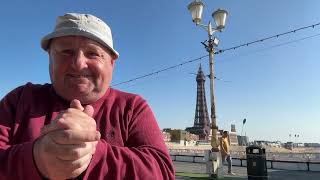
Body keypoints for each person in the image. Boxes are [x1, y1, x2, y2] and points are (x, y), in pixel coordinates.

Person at [0, 13, 174, 180]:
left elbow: (162, 172)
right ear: (50, 57)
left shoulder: (132, 107)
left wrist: (90, 152)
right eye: (66, 52)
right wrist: (36, 158)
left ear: (111, 63)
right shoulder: (19, 99)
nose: (78, 64)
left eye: (92, 53)